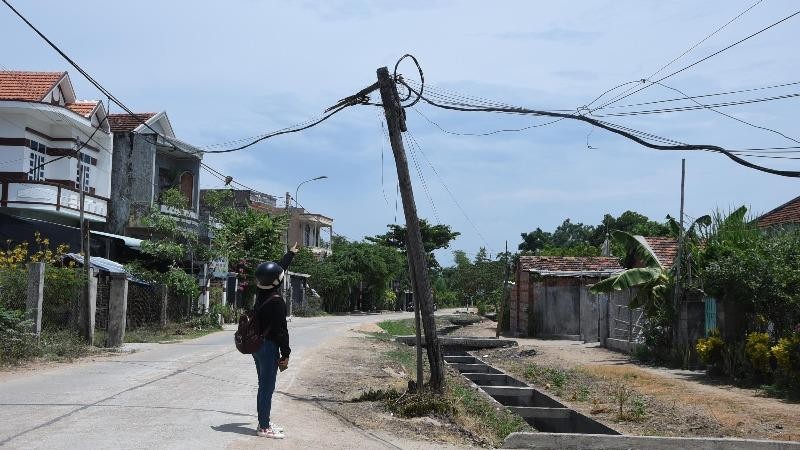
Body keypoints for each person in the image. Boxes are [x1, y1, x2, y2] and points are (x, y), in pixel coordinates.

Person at [251, 243, 297, 439]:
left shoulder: (262, 292)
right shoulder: (277, 301)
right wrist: (286, 354)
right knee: (267, 386)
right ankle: (263, 427)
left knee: (264, 384)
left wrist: (290, 255)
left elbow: (275, 270)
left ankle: (265, 421)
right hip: (269, 347)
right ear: (276, 282)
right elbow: (281, 332)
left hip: (257, 345)